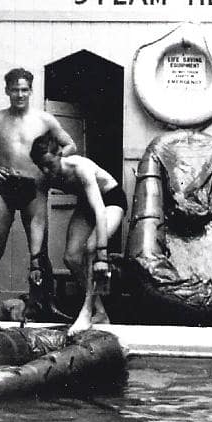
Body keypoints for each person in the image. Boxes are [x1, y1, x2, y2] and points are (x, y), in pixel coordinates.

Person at [0, 67, 76, 321]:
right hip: (5, 188)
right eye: (15, 90)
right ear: (7, 91)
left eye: (24, 90)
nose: (20, 95)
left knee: (39, 252)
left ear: (31, 91)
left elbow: (70, 144)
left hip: (35, 187)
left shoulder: (44, 120)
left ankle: (43, 306)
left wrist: (49, 169)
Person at [29, 133, 127, 334]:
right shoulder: (42, 178)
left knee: (91, 248)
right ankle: (101, 312)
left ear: (60, 155)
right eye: (41, 166)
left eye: (50, 164)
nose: (47, 171)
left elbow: (100, 210)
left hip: (110, 200)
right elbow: (38, 219)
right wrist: (35, 260)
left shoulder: (80, 168)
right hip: (86, 204)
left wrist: (101, 253)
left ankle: (86, 311)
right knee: (71, 257)